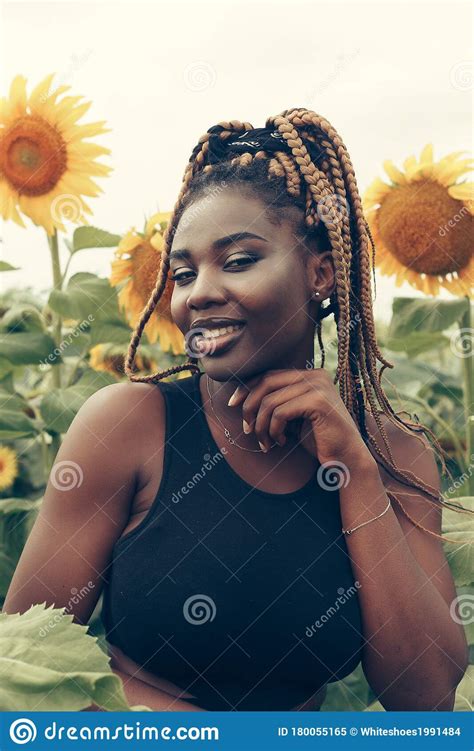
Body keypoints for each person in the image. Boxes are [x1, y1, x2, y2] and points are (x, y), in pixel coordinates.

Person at [3, 108, 470, 712]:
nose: (199, 292)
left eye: (239, 260)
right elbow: (22, 667)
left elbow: (426, 696)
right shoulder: (127, 427)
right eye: (183, 272)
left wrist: (355, 472)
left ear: (320, 273)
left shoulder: (395, 456)